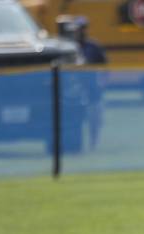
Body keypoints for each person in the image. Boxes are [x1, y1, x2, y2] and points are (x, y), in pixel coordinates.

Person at [57, 15, 108, 149]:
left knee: (95, 120)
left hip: (92, 90)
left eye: (84, 28)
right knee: (73, 120)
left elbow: (105, 66)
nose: (82, 31)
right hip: (74, 90)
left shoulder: (93, 46)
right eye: (79, 28)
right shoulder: (69, 47)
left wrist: (102, 81)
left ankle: (93, 143)